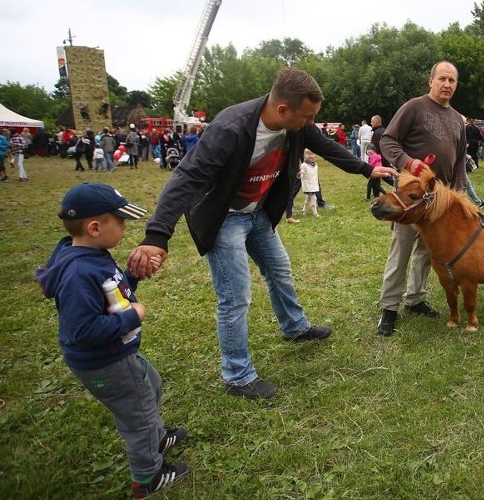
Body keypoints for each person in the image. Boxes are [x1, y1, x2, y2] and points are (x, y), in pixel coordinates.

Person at [127, 68, 396, 399]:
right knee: (235, 295)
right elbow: (187, 177)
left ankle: (294, 328)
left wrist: (367, 169)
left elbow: (325, 145)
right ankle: (237, 376)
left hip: (256, 214)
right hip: (224, 217)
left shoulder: (297, 126)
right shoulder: (231, 128)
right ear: (283, 109)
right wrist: (157, 235)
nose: (310, 123)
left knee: (279, 269)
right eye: (307, 116)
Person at [35, 183, 189, 498]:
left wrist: (132, 276)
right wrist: (134, 315)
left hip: (119, 353)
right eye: (119, 222)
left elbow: (108, 291)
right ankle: (147, 477)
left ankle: (157, 438)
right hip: (107, 361)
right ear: (94, 227)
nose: (124, 227)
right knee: (139, 416)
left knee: (153, 386)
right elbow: (85, 331)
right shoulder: (79, 273)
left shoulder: (93, 254)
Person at [376, 60, 467, 337]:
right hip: (411, 198)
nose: (447, 84)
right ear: (431, 81)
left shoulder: (457, 120)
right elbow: (388, 140)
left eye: (452, 80)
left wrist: (460, 196)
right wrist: (407, 162)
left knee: (428, 254)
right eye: (442, 78)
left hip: (439, 202)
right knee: (401, 251)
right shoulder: (414, 107)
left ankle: (415, 298)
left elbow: (460, 161)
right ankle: (389, 308)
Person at [298, 149, 320, 216]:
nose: (310, 155)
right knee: (314, 198)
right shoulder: (304, 165)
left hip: (314, 184)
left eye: (312, 154)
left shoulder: (315, 165)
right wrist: (301, 175)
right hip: (308, 185)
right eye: (308, 154)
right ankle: (315, 212)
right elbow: (302, 172)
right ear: (304, 156)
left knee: (308, 198)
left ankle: (304, 209)